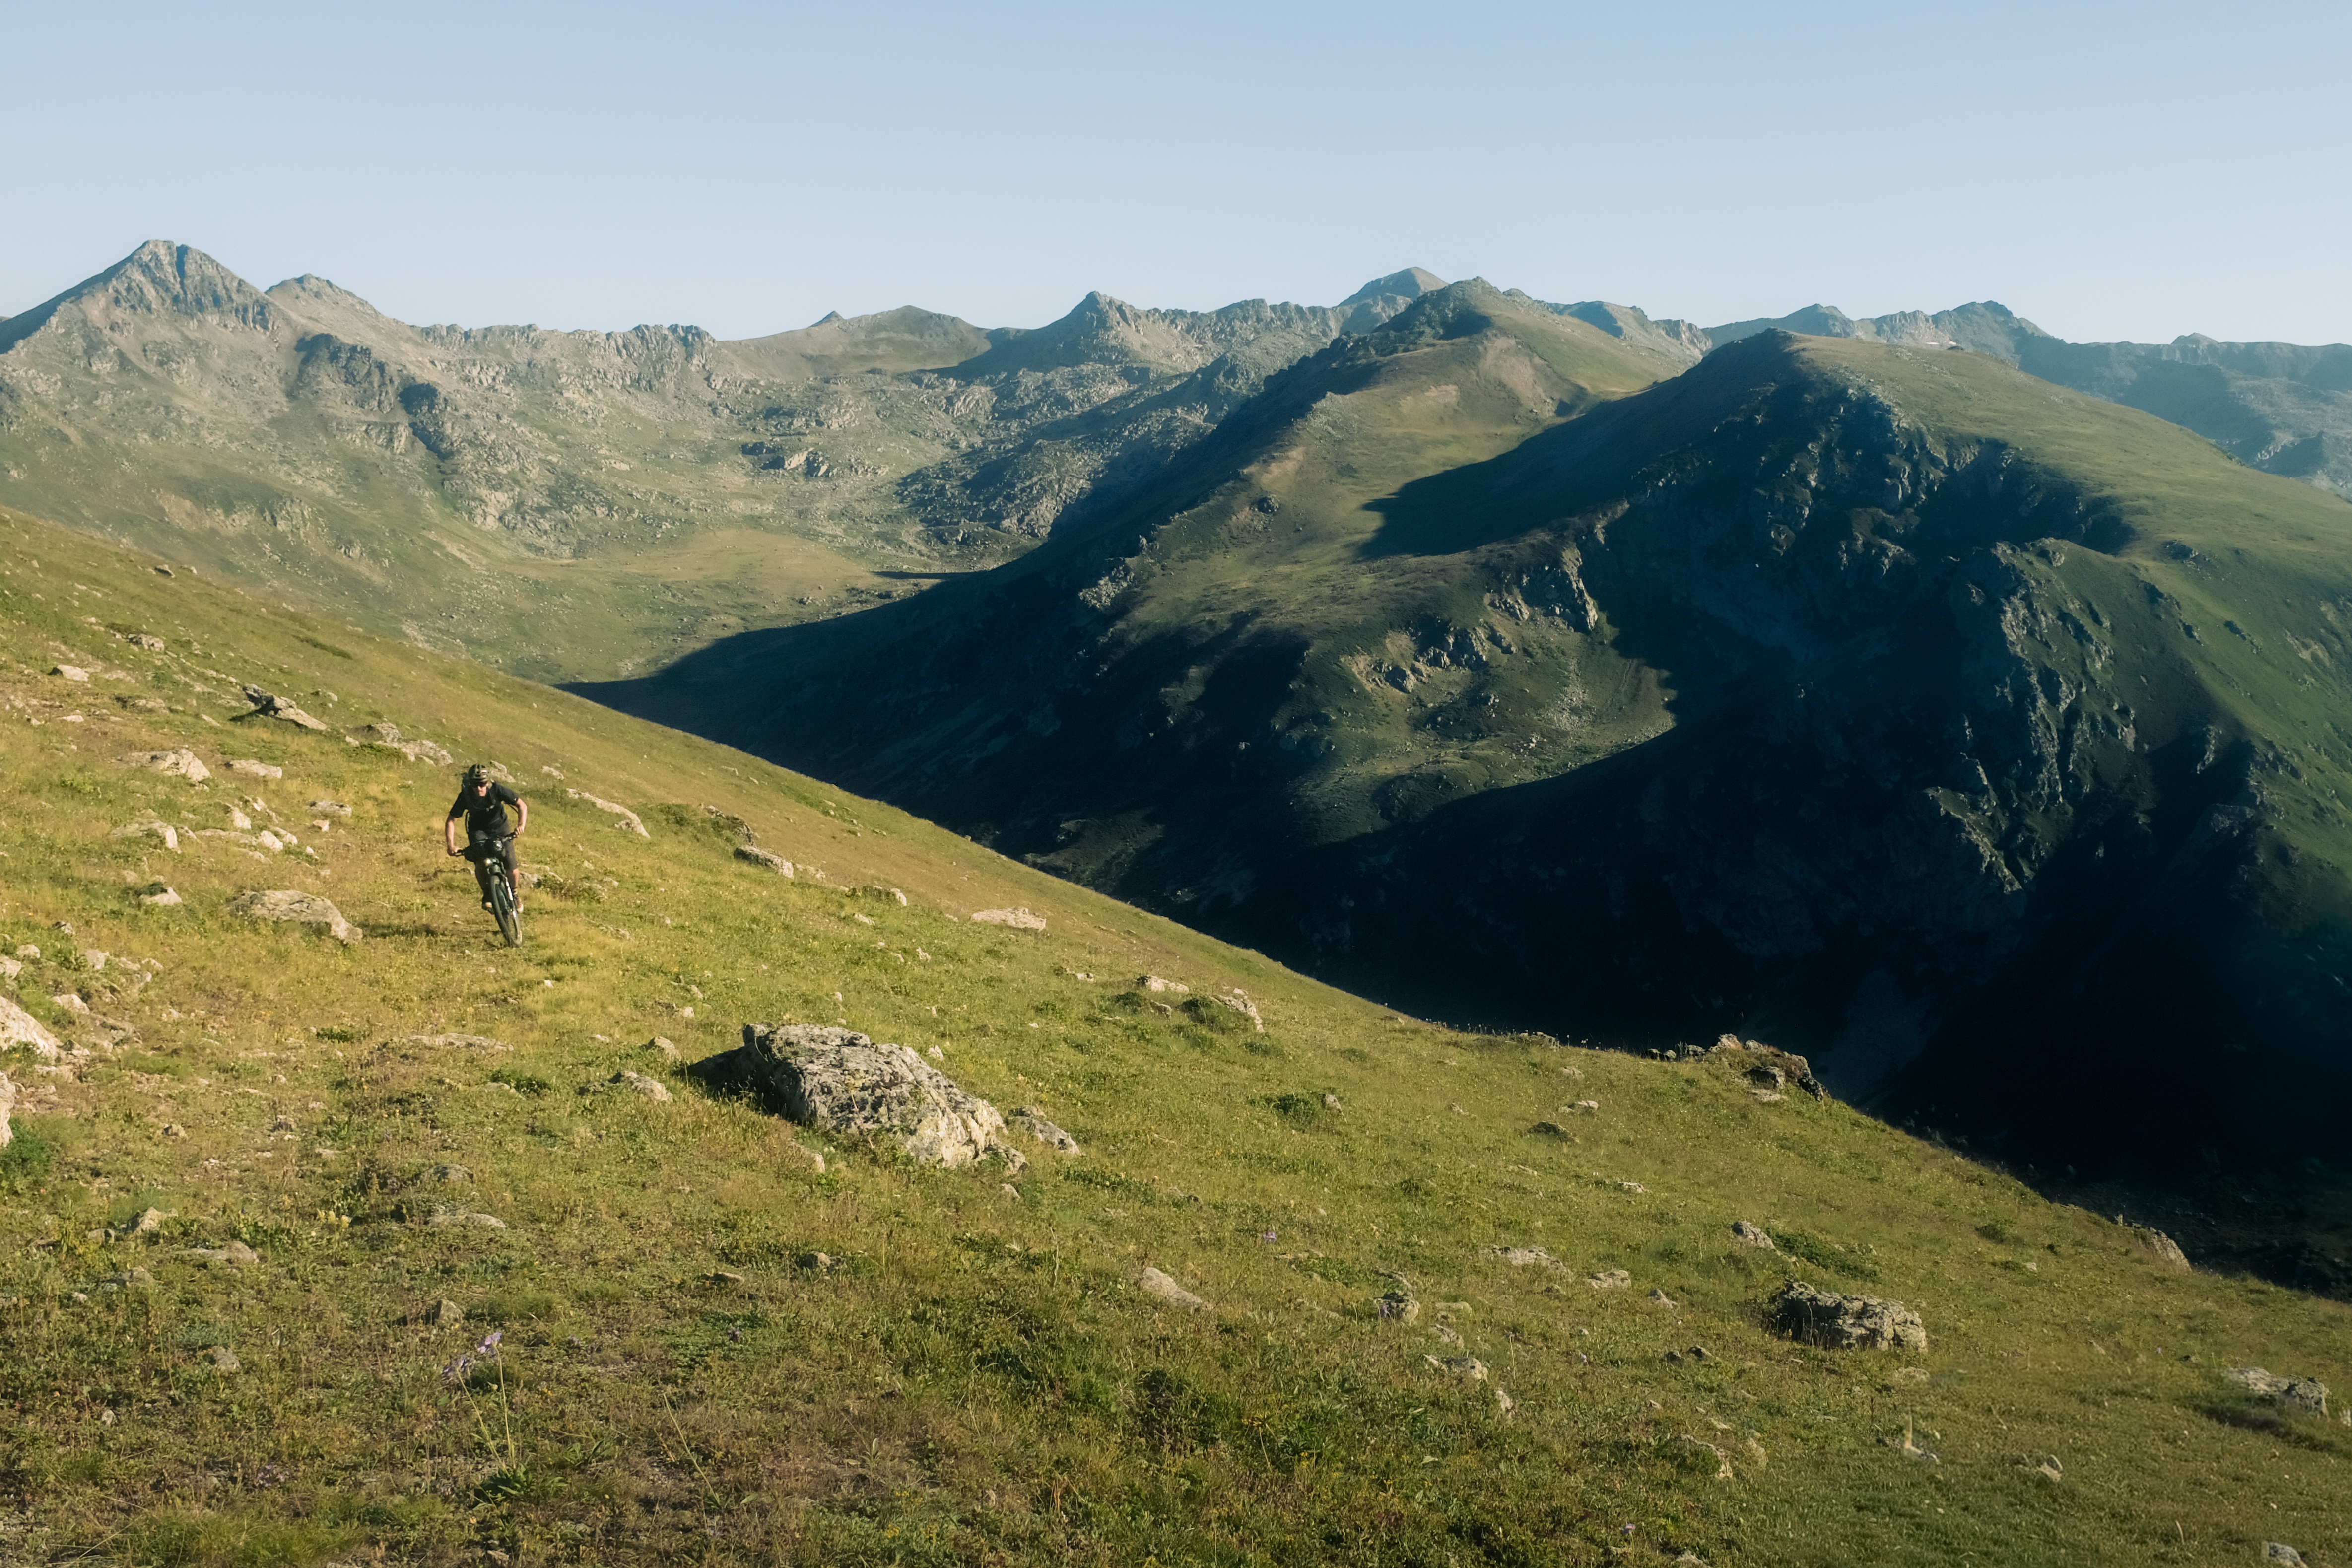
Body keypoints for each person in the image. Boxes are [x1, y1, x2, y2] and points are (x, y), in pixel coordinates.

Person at [444, 763, 528, 913]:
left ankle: (514, 894)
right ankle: (488, 894)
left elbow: (522, 805)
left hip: (500, 829)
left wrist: (521, 825)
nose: (479, 788)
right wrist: (451, 846)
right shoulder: (466, 795)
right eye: (475, 785)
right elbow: (451, 820)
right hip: (478, 831)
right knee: (481, 862)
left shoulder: (497, 790)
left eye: (482, 784)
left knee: (511, 864)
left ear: (488, 782)